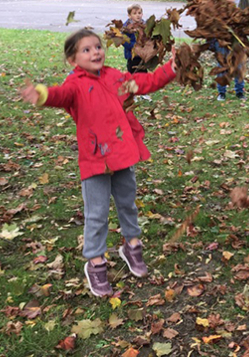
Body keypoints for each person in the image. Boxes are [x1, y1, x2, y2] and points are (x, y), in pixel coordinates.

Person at [19, 28, 178, 298]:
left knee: (128, 204)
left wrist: (172, 67)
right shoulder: (75, 84)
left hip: (122, 155)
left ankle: (132, 245)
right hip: (95, 160)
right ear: (73, 60)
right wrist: (43, 94)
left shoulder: (115, 76)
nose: (95, 52)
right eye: (86, 49)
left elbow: (146, 82)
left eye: (97, 47)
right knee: (97, 214)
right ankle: (95, 262)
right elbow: (61, 96)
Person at [214, 0, 249, 101]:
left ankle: (240, 91)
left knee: (239, 65)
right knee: (222, 64)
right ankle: (221, 92)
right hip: (222, 37)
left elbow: (248, 15)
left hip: (238, 38)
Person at [122, 3, 147, 74]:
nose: (138, 15)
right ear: (129, 15)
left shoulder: (144, 24)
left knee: (143, 73)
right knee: (133, 73)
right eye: (134, 13)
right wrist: (134, 46)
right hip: (132, 55)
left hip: (142, 55)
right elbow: (124, 41)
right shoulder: (127, 27)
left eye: (139, 13)